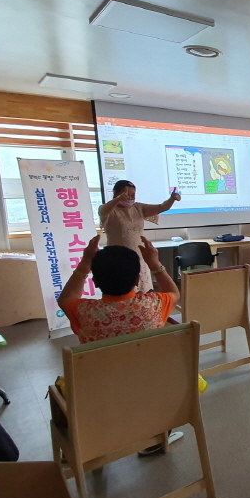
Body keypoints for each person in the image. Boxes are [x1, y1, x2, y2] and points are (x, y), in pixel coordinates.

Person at [57, 235, 182, 455]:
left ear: (95, 282)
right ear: (137, 280)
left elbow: (65, 298)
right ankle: (157, 436)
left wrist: (85, 263)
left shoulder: (83, 311)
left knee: (61, 386)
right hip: (151, 389)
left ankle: (85, 444)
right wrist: (154, 263)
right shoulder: (153, 304)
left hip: (101, 395)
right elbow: (174, 292)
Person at [99, 180, 181, 292]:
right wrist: (117, 200)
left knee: (143, 291)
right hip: (118, 258)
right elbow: (103, 211)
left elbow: (161, 207)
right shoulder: (109, 210)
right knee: (123, 291)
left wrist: (172, 199)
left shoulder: (138, 207)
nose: (129, 198)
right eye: (125, 195)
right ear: (115, 193)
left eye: (133, 195)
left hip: (139, 256)